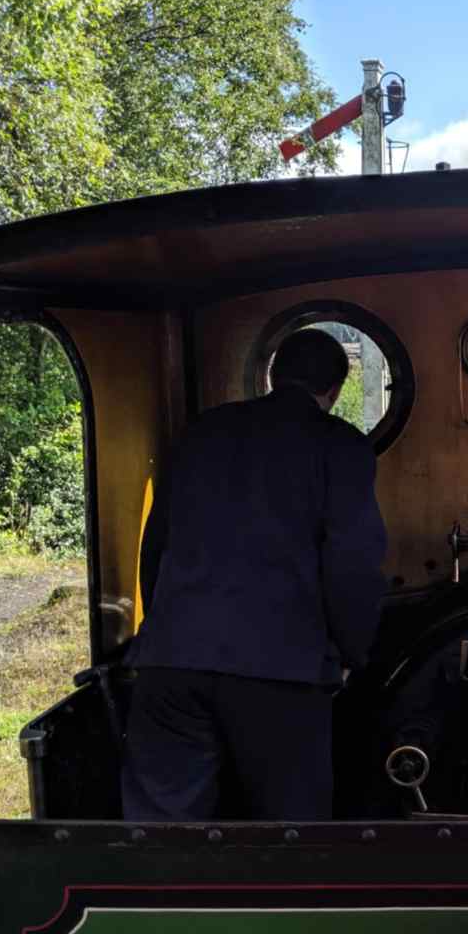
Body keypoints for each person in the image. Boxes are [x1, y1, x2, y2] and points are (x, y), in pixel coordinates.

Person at [122, 329, 387, 822]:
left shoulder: (203, 432)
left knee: (163, 831)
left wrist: (160, 630)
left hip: (172, 662)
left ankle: (164, 896)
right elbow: (353, 562)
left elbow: (156, 545)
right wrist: (351, 653)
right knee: (286, 832)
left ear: (272, 374)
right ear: (335, 389)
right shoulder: (339, 446)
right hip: (282, 670)